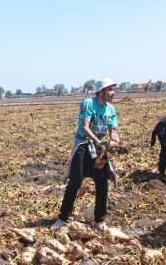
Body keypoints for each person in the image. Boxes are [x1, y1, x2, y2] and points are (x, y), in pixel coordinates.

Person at [51, 78, 120, 232]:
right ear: (101, 91)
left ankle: (99, 220)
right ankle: (63, 218)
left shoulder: (111, 109)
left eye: (113, 89)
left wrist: (114, 141)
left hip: (99, 149)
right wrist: (98, 141)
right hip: (83, 144)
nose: (113, 93)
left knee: (102, 183)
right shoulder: (88, 103)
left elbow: (113, 132)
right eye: (110, 90)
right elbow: (85, 127)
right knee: (75, 181)